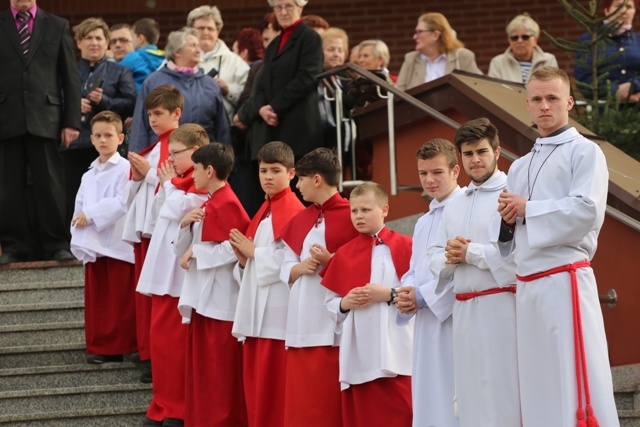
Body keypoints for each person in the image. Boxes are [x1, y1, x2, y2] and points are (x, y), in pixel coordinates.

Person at [496, 66, 619, 427]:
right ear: (528, 105)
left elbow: (587, 210)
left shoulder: (586, 153)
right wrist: (507, 220)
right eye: (537, 99)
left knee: (575, 373)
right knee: (538, 378)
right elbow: (510, 230)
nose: (544, 106)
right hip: (528, 283)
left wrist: (527, 209)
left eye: (552, 98)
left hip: (564, 278)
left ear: (568, 102)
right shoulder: (519, 165)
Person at [428, 118, 520, 427]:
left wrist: (471, 253)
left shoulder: (512, 195)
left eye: (481, 151)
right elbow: (433, 254)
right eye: (468, 154)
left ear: (498, 151)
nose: (475, 160)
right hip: (464, 308)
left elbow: (520, 257)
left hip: (502, 307)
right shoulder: (454, 204)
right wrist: (450, 259)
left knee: (502, 390)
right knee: (468, 394)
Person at [321, 182, 413, 427]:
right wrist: (344, 303)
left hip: (400, 346)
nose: (358, 216)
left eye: (365, 210)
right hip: (361, 348)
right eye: (354, 211)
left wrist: (389, 294)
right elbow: (330, 304)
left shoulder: (407, 245)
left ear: (384, 209)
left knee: (404, 411)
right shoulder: (344, 253)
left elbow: (420, 293)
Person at [279, 148, 359, 426]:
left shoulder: (353, 214)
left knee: (326, 406)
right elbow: (284, 262)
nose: (296, 186)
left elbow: (365, 259)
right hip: (301, 320)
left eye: (299, 179)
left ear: (316, 179)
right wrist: (297, 268)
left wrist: (330, 262)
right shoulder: (301, 218)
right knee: (302, 404)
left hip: (334, 325)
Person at [136, 124, 209, 427]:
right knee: (161, 345)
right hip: (161, 269)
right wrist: (167, 188)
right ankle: (161, 405)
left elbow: (183, 208)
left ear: (195, 151)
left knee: (176, 346)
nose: (170, 159)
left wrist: (167, 187)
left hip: (180, 274)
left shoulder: (203, 178)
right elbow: (157, 215)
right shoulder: (176, 180)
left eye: (175, 153)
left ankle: (177, 408)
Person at [230, 141, 305, 427]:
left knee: (275, 387)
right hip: (255, 310)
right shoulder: (264, 211)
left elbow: (292, 261)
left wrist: (254, 254)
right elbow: (255, 258)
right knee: (257, 386)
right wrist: (243, 260)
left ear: (292, 173)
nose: (268, 176)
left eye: (275, 170)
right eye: (263, 170)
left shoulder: (295, 211)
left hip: (277, 313)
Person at [0, 0, 80, 264]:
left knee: (51, 186)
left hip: (47, 119)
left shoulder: (57, 25)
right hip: (6, 119)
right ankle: (13, 246)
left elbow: (69, 76)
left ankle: (57, 243)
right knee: (8, 188)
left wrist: (71, 121)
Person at [176, 143, 250, 427]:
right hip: (203, 300)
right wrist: (184, 225)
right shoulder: (209, 202)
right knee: (204, 376)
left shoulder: (228, 202)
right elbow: (183, 252)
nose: (191, 174)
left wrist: (198, 252)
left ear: (209, 170)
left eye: (195, 169)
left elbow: (236, 246)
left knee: (219, 378)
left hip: (221, 302)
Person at [394, 138, 464, 427]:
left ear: (455, 171)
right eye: (423, 173)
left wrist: (422, 297)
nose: (430, 180)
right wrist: (406, 292)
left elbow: (462, 270)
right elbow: (415, 268)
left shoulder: (464, 209)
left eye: (437, 172)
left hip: (452, 319)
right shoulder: (424, 221)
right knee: (427, 395)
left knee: (451, 393)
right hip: (425, 321)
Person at [122, 84, 184, 383]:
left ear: (177, 113)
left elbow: (181, 188)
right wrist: (137, 177)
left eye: (158, 113)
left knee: (159, 297)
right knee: (147, 295)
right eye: (149, 114)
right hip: (149, 229)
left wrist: (146, 173)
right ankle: (147, 350)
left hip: (167, 232)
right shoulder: (157, 145)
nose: (152, 120)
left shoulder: (181, 147)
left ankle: (154, 356)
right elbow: (140, 189)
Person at [70, 111, 136, 365]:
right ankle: (101, 346)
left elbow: (123, 201)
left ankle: (125, 344)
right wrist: (78, 231)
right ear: (91, 138)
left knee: (120, 297)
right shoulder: (89, 174)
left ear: (120, 138)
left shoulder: (126, 168)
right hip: (93, 242)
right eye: (97, 135)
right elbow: (79, 206)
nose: (102, 140)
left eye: (108, 135)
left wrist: (92, 214)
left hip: (117, 241)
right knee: (98, 299)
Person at [63, 17, 136, 230]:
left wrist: (104, 101)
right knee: (74, 194)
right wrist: (73, 106)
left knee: (110, 195)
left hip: (109, 146)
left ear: (106, 43)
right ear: (78, 43)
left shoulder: (120, 71)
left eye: (99, 38)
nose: (94, 43)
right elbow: (54, 99)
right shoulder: (69, 71)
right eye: (88, 38)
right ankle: (75, 238)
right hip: (75, 144)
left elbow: (132, 103)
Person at [236, 0, 324, 160]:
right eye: (278, 7)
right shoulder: (274, 44)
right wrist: (263, 108)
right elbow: (263, 83)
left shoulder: (310, 38)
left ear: (300, 7)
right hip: (274, 126)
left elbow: (308, 77)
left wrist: (275, 106)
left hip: (299, 125)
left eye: (289, 6)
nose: (283, 12)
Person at [129, 27, 231, 152]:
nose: (198, 49)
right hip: (163, 158)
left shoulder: (210, 85)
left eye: (198, 45)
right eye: (193, 45)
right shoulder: (153, 82)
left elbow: (222, 129)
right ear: (177, 52)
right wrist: (137, 158)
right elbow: (140, 125)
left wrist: (224, 161)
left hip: (203, 159)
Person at [187, 5, 249, 121]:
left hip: (223, 130)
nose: (205, 32)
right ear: (191, 32)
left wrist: (228, 90)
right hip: (186, 128)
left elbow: (249, 96)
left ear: (218, 32)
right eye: (200, 28)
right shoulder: (179, 58)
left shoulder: (235, 62)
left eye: (210, 28)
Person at [396, 12, 482, 91]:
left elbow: (476, 91)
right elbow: (399, 94)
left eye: (419, 32)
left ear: (435, 35)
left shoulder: (462, 56)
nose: (414, 37)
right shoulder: (411, 59)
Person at [574, 0, 640, 101]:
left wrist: (634, 85)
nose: (623, 10)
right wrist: (614, 91)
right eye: (618, 6)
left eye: (629, 6)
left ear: (634, 11)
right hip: (602, 111)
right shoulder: (590, 40)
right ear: (606, 11)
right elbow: (583, 78)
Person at [488, 14, 558, 85]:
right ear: (509, 41)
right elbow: (492, 91)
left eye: (525, 37)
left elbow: (553, 88)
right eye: (514, 37)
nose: (519, 41)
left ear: (535, 40)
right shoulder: (497, 62)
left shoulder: (548, 60)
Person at [120, 18, 165, 93]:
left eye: (132, 37)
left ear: (141, 38)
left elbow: (115, 75)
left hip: (139, 101)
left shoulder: (133, 57)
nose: (131, 41)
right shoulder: (166, 58)